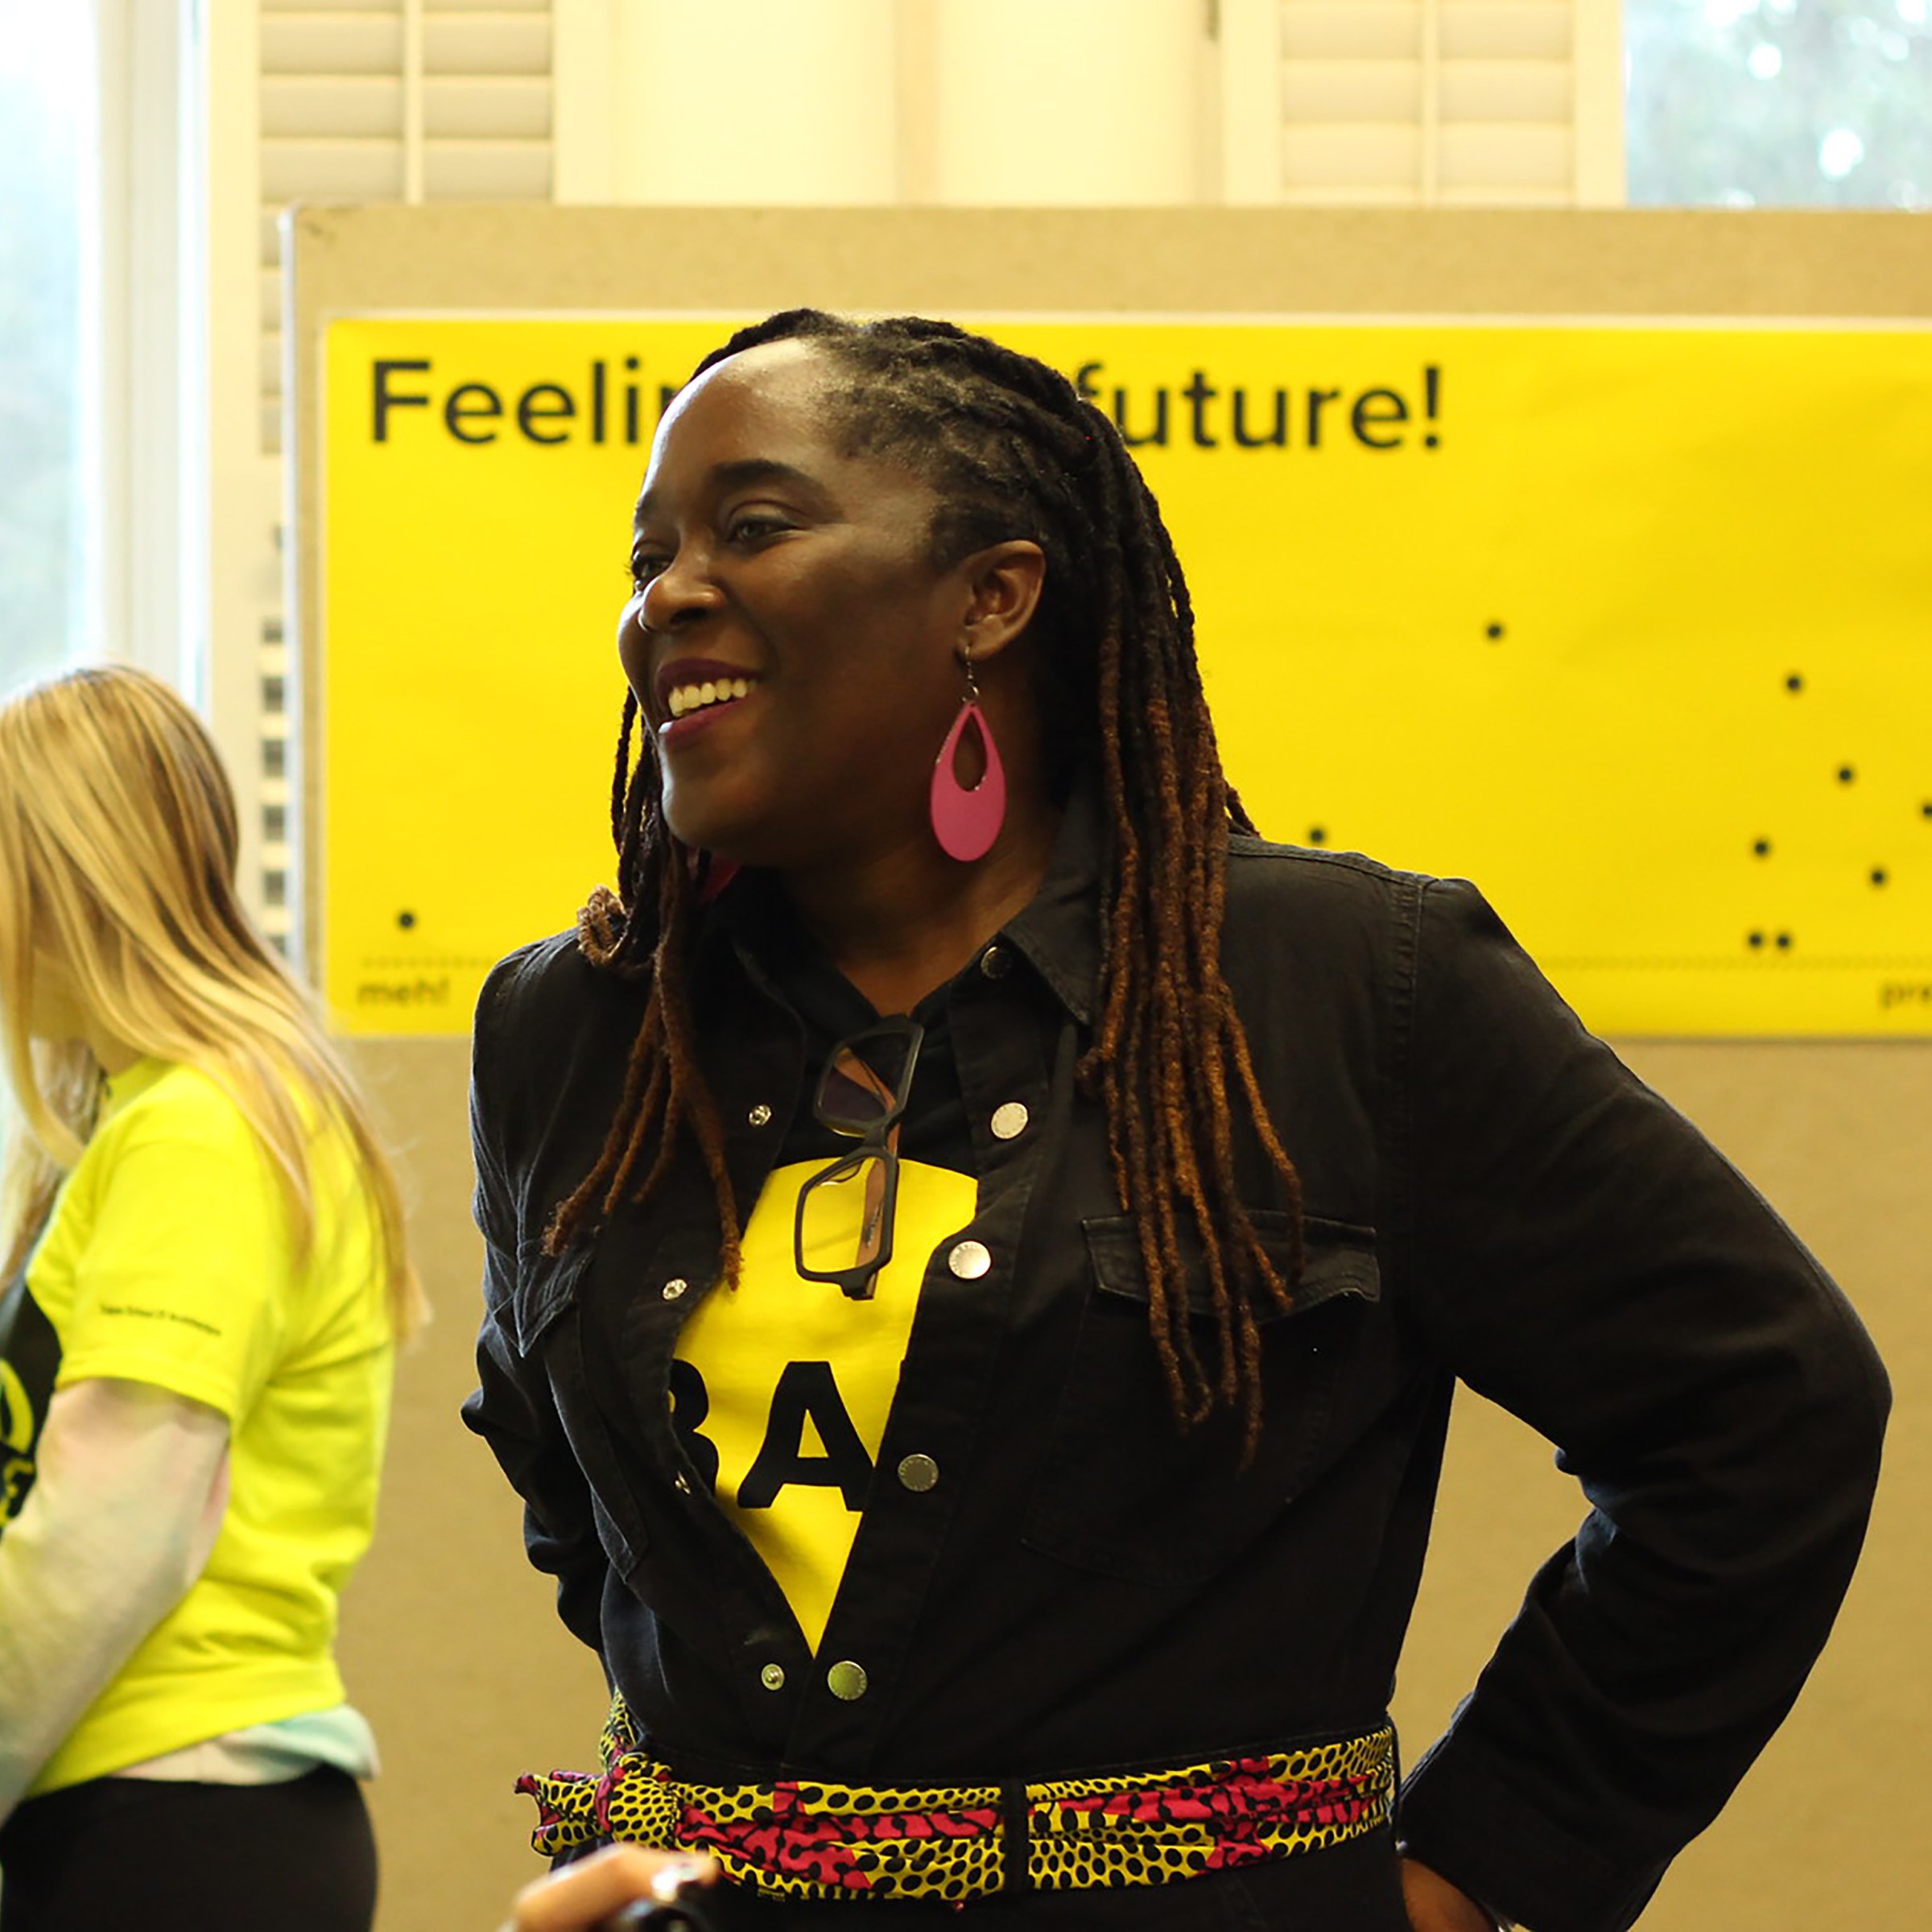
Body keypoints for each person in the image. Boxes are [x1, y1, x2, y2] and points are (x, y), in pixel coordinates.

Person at [463, 312, 1889, 1931]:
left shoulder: (1343, 990)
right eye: (649, 554)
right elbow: (591, 1523)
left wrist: (1483, 1869)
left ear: (993, 597)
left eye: (756, 526)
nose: (670, 597)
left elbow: (1766, 1416)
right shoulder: (572, 1032)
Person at [0, 666, 423, 1931]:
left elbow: (108, 1537)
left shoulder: (201, 1130)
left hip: (177, 1824)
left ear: (66, 880)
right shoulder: (154, 1119)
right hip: (146, 1813)